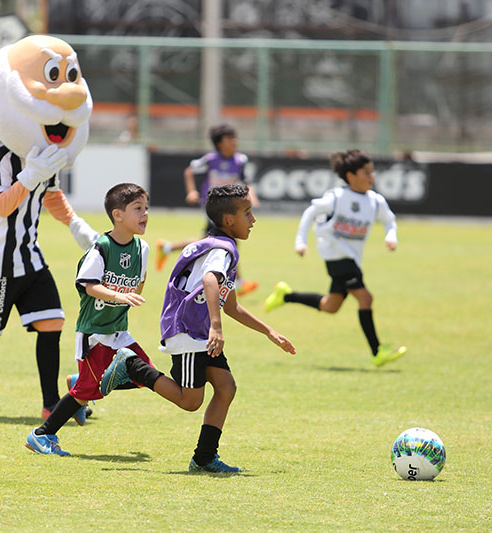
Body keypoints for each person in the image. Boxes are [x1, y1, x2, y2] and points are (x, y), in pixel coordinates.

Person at [0, 35, 99, 419]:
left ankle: (50, 406)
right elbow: (1, 206)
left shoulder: (44, 151)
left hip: (31, 257)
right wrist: (28, 176)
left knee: (53, 323)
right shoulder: (3, 157)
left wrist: (78, 226)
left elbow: (51, 196)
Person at [98, 184, 296, 473]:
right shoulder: (223, 249)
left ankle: (204, 457)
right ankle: (132, 365)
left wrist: (269, 332)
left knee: (226, 387)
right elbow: (210, 282)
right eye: (248, 213)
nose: (253, 220)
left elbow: (232, 306)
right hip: (189, 331)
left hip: (199, 331)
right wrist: (216, 328)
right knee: (190, 401)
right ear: (229, 220)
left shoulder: (216, 244)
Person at [25, 183, 151, 455]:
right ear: (117, 215)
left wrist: (130, 294)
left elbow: (138, 285)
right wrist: (119, 296)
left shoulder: (142, 249)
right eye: (138, 209)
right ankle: (41, 435)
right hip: (93, 333)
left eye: (146, 208)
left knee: (144, 376)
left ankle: (78, 381)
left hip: (119, 332)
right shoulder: (101, 248)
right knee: (86, 391)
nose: (145, 214)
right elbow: (89, 285)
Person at [263, 149, 406, 367]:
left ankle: (286, 295)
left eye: (372, 172)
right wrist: (300, 242)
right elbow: (310, 212)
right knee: (365, 299)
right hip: (336, 256)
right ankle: (377, 351)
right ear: (350, 176)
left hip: (352, 259)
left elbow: (390, 221)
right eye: (366, 172)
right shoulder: (337, 197)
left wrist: (391, 236)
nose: (371, 176)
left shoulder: (375, 201)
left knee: (331, 306)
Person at [155, 124, 259, 297]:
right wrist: (191, 191)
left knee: (209, 240)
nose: (235, 141)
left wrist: (252, 196)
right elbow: (189, 170)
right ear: (219, 143)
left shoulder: (240, 160)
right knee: (227, 238)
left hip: (228, 206)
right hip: (213, 205)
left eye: (235, 138)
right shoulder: (211, 159)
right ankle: (237, 282)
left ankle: (167, 247)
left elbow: (245, 180)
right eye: (230, 139)